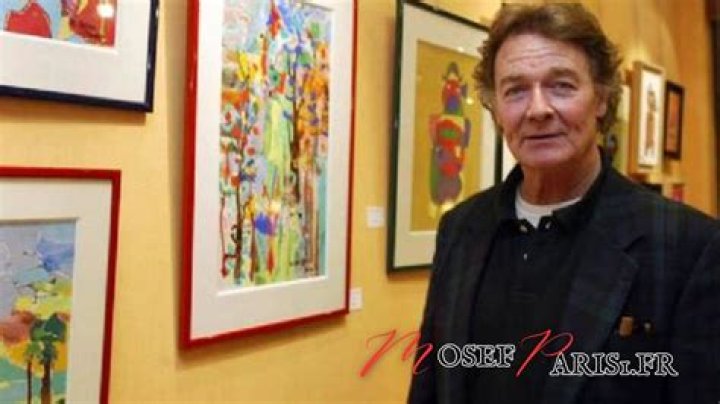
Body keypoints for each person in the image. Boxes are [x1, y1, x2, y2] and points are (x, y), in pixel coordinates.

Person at [408, 3, 720, 404]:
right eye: (516, 90)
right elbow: (430, 386)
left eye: (561, 86)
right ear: (495, 108)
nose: (537, 109)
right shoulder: (460, 228)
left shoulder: (688, 246)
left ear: (602, 97)